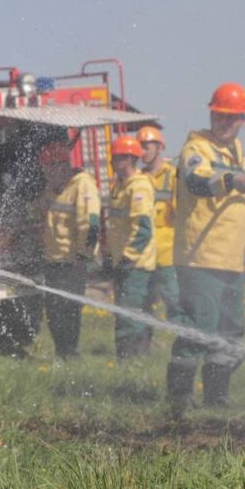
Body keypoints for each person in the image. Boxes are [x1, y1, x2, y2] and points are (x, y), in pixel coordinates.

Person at [165, 82, 245, 415]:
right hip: (199, 258)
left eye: (230, 118)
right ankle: (179, 397)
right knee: (199, 326)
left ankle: (216, 396)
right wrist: (232, 180)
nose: (223, 122)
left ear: (242, 120)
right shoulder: (196, 148)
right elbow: (196, 181)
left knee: (229, 330)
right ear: (211, 113)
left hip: (231, 261)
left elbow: (240, 206)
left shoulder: (238, 154)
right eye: (218, 115)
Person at [36, 139, 101, 358]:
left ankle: (71, 355)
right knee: (54, 313)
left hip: (72, 264)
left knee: (68, 311)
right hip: (54, 262)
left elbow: (90, 225)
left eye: (48, 169)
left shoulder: (82, 185)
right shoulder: (55, 189)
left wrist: (82, 257)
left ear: (61, 166)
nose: (46, 174)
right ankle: (63, 354)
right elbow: (39, 211)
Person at [103, 135, 157, 359]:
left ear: (130, 159)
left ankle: (129, 362)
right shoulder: (120, 186)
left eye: (118, 159)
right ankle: (134, 359)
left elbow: (143, 228)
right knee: (128, 312)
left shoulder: (139, 187)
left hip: (135, 264)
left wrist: (128, 257)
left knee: (128, 315)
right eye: (114, 158)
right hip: (124, 262)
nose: (115, 163)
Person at [137, 126, 182, 327]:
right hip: (144, 253)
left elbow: (181, 213)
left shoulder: (173, 176)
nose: (142, 152)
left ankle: (185, 343)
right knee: (143, 303)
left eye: (147, 147)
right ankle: (143, 348)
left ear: (159, 147)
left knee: (174, 301)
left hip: (166, 253)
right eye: (140, 147)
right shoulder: (138, 178)